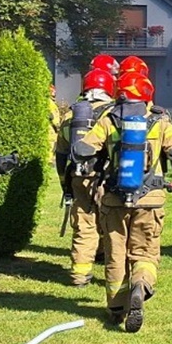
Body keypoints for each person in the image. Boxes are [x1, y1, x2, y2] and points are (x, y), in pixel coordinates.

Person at [73, 72, 172, 331]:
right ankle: (141, 284)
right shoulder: (160, 121)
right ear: (149, 95)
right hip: (150, 200)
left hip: (115, 200)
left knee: (115, 253)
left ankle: (116, 308)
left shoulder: (109, 119)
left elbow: (83, 150)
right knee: (145, 252)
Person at [53, 69, 116, 286]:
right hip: (105, 177)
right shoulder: (112, 114)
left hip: (78, 176)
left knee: (84, 223)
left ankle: (80, 274)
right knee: (111, 224)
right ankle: (114, 272)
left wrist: (65, 184)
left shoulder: (71, 116)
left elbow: (60, 154)